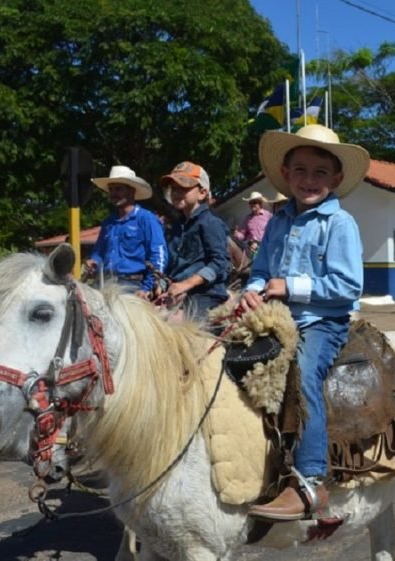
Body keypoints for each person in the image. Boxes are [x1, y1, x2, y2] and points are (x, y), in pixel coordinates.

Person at [242, 124, 368, 522]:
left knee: (301, 373)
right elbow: (261, 268)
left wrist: (289, 286)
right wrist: (254, 287)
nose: (309, 180)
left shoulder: (340, 223)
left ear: (336, 178)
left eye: (319, 172)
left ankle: (312, 480)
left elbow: (349, 285)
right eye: (300, 170)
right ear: (286, 173)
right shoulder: (278, 222)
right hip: (274, 318)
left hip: (320, 322)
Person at [158, 161, 231, 320]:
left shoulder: (210, 223)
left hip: (206, 294)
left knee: (176, 327)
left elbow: (220, 262)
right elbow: (173, 265)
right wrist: (162, 285)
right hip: (177, 292)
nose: (176, 192)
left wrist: (187, 284)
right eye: (174, 188)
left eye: (184, 187)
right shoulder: (176, 227)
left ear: (202, 193)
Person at [85, 165, 167, 297]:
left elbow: (158, 255)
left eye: (118, 189)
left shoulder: (147, 219)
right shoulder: (108, 222)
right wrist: (93, 261)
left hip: (133, 284)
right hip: (105, 282)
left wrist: (147, 287)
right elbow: (99, 251)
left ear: (131, 192)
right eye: (111, 189)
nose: (113, 193)